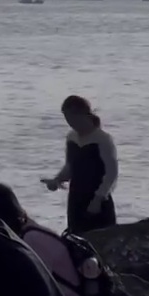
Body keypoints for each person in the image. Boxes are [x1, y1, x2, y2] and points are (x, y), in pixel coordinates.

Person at [42, 96, 118, 234]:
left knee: (101, 240)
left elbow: (111, 173)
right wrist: (57, 180)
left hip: (98, 198)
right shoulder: (71, 137)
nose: (70, 123)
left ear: (83, 115)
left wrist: (98, 198)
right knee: (77, 239)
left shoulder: (102, 139)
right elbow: (70, 167)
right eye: (66, 118)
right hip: (76, 196)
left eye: (72, 118)